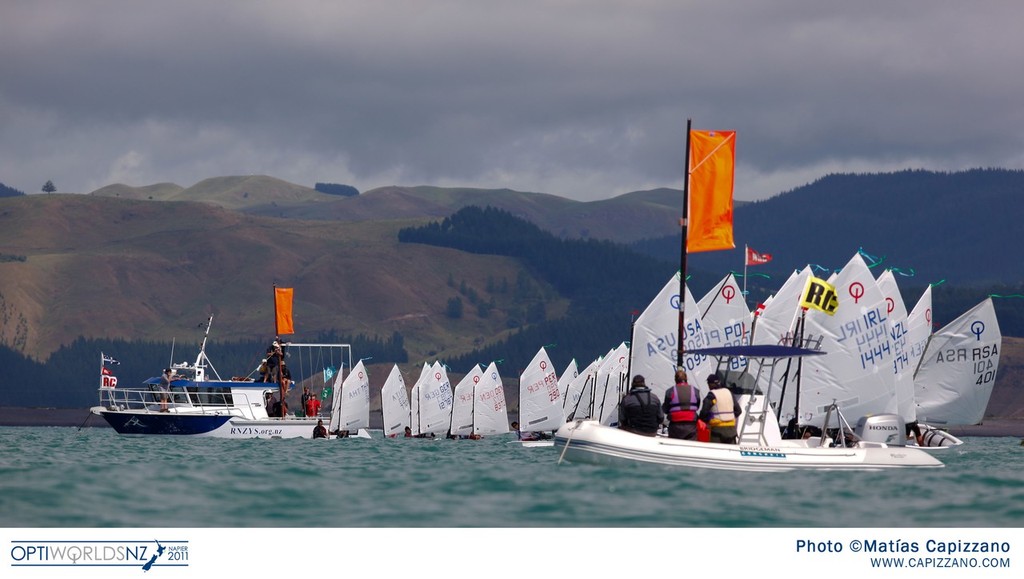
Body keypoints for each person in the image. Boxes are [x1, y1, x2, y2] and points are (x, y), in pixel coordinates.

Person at [698, 374, 742, 444]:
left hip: (717, 431)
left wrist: (709, 420)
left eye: (708, 383)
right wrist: (728, 417)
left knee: (716, 453)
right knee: (730, 453)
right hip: (731, 431)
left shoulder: (711, 396)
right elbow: (738, 411)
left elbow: (703, 414)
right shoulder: (729, 393)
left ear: (711, 384)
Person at [662, 369, 700, 440]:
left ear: (675, 379)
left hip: (675, 425)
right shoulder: (695, 390)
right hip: (691, 425)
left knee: (675, 446)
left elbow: (665, 409)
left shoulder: (670, 391)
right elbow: (697, 406)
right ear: (686, 378)